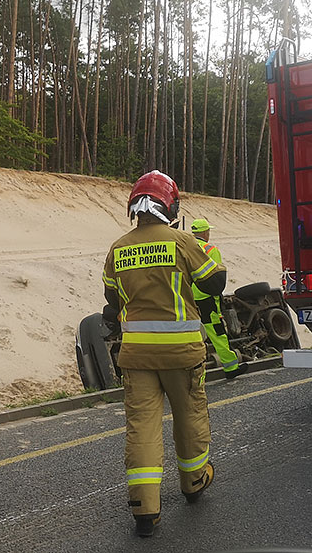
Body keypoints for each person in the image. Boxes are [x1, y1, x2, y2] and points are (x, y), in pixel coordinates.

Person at [102, 171, 226, 538]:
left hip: (136, 357)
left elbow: (111, 300)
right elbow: (214, 282)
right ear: (170, 205)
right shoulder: (180, 241)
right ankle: (194, 482)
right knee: (189, 419)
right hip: (181, 354)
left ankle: (145, 509)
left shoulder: (118, 248)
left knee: (142, 428)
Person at [190, 218, 249, 380]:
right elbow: (216, 278)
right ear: (204, 232)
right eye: (208, 231)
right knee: (217, 332)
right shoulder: (210, 249)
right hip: (206, 299)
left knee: (188, 334)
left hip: (186, 299)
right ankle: (230, 366)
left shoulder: (184, 247)